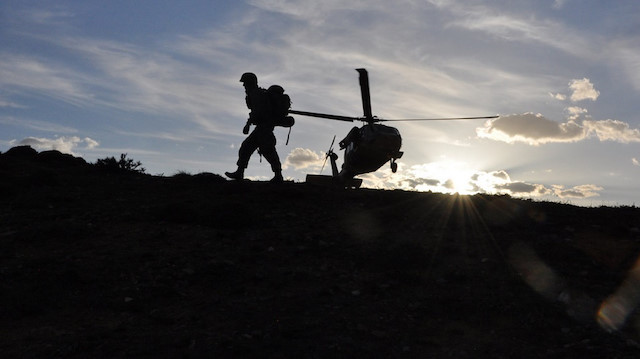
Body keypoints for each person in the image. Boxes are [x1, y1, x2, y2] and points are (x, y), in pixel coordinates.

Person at [225, 72, 283, 183]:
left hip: (264, 127)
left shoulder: (256, 94)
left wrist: (248, 124)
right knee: (246, 147)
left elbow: (257, 112)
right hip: (261, 127)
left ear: (250, 83)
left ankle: (278, 175)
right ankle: (240, 172)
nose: (243, 86)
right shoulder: (256, 93)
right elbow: (255, 112)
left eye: (245, 83)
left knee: (268, 151)